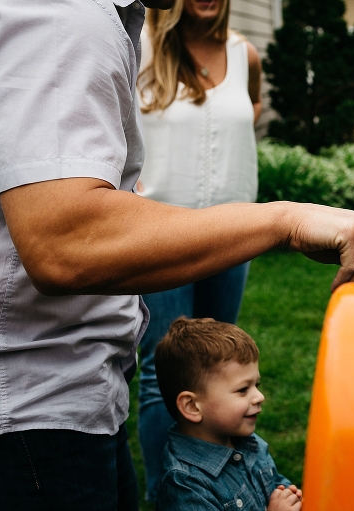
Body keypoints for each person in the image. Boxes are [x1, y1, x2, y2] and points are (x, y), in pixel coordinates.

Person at [0, 1, 354, 509]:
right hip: (32, 411)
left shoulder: (104, 20)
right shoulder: (66, 16)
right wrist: (284, 220)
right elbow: (64, 242)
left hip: (78, 394)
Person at [134, 0, 265, 501]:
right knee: (161, 375)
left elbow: (248, 110)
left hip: (234, 236)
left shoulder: (245, 55)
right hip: (161, 234)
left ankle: (219, 484)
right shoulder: (140, 49)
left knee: (220, 371)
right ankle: (167, 494)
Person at [154, 317, 301, 510]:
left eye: (256, 385)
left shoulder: (249, 443)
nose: (260, 397)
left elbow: (276, 485)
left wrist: (290, 497)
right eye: (243, 390)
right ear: (192, 406)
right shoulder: (187, 485)